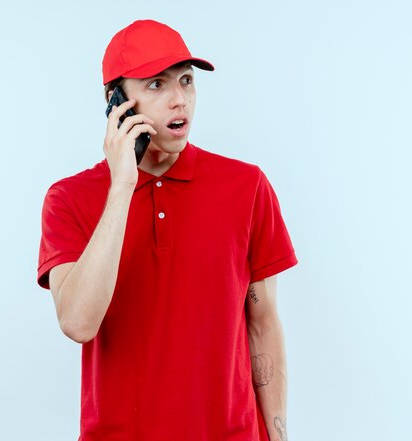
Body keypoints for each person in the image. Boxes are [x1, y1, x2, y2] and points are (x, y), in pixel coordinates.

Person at [37, 19, 298, 441]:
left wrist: (278, 435)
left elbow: (262, 323)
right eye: (156, 85)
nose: (180, 100)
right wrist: (122, 185)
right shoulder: (68, 199)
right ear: (116, 102)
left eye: (186, 81)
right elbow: (78, 323)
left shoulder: (247, 186)